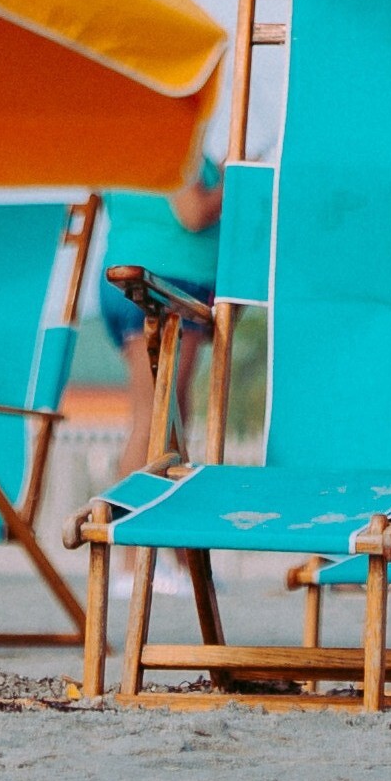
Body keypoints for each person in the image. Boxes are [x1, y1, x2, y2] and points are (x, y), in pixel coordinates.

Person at [97, 159, 222, 594]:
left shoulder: (140, 140)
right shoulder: (176, 145)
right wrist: (236, 181)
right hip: (162, 286)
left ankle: (167, 559)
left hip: (143, 277)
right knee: (156, 418)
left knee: (166, 418)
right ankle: (134, 562)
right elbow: (194, 213)